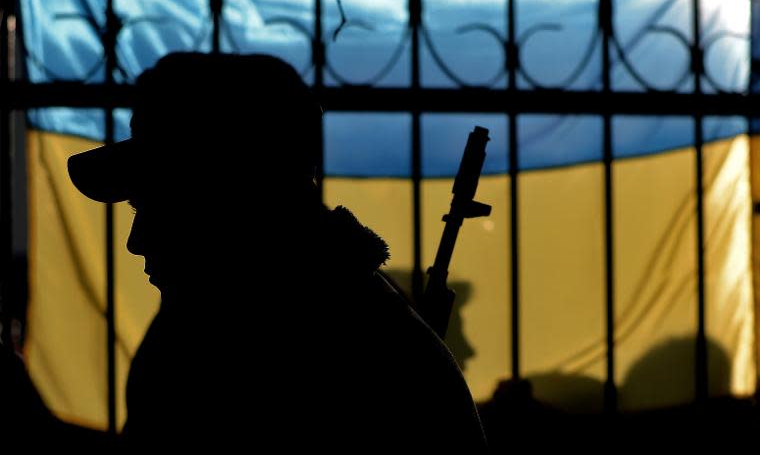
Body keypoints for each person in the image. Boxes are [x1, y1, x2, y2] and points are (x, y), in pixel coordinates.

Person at [3, 52, 487, 451]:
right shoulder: (231, 327)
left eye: (159, 204)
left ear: (234, 199)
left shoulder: (275, 347)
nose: (137, 240)